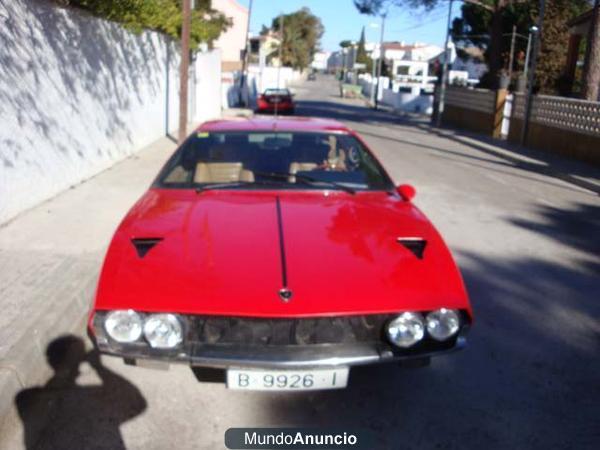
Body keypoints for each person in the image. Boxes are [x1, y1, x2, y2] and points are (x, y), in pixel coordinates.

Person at [15, 335, 147, 449]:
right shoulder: (85, 396)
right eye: (80, 354)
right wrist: (98, 367)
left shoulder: (29, 398)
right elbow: (138, 403)